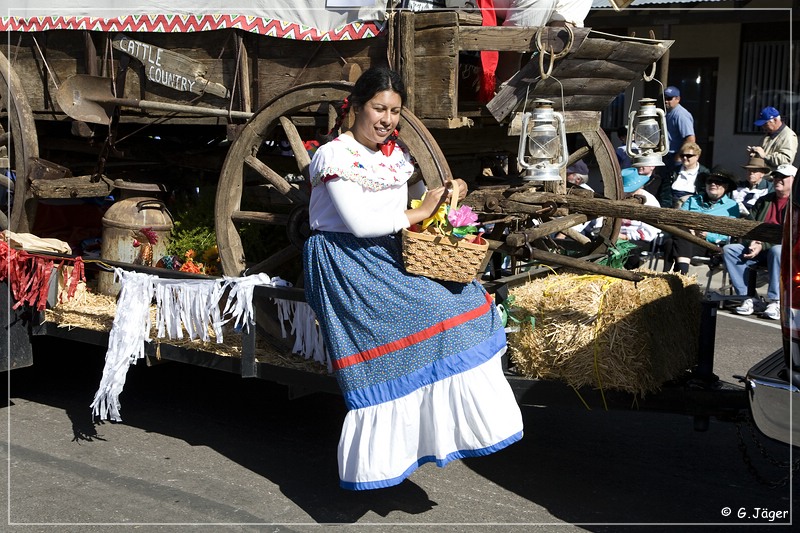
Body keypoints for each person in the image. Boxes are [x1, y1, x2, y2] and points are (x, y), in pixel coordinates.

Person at [302, 67, 523, 490]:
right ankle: (390, 452)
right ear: (356, 108)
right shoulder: (334, 155)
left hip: (388, 253)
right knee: (434, 308)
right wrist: (420, 213)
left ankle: (441, 433)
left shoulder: (393, 154)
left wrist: (445, 191)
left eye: (394, 111)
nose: (386, 119)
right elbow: (360, 223)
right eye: (378, 108)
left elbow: (416, 196)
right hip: (344, 259)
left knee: (468, 299)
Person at [722, 163, 795, 319]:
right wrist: (752, 243)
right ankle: (748, 297)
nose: (778, 180)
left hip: (785, 251)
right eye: (776, 177)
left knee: (777, 250)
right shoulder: (764, 200)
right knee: (730, 250)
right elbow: (749, 225)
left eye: (783, 177)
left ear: (794, 180)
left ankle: (776, 301)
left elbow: (790, 235)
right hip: (758, 247)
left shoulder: (796, 205)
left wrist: (762, 245)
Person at [661, 166, 740, 275]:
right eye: (710, 181)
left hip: (709, 245)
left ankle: (671, 277)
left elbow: (730, 232)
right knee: (675, 238)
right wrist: (690, 230)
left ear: (726, 186)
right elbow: (679, 219)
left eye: (718, 182)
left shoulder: (731, 205)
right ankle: (681, 278)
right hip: (687, 239)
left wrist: (707, 235)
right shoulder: (693, 199)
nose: (713, 184)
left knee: (671, 243)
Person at [617, 168, 660, 269]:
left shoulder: (650, 201)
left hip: (638, 239)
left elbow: (650, 232)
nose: (626, 193)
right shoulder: (618, 198)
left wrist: (625, 236)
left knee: (629, 252)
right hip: (615, 236)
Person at [657, 141, 709, 208]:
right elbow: (665, 195)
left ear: (697, 157)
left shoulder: (704, 174)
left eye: (688, 156)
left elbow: (704, 195)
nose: (685, 158)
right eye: (682, 156)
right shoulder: (673, 172)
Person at [747, 106, 798, 170]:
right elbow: (763, 156)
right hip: (764, 176)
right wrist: (756, 154)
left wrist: (765, 156)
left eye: (765, 124)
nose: (763, 127)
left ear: (775, 120)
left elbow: (786, 160)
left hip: (775, 178)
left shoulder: (788, 136)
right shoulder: (768, 135)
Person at [662, 86, 696, 176]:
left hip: (676, 157)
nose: (666, 101)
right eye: (664, 98)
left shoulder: (681, 115)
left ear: (678, 99)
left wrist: (679, 156)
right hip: (667, 156)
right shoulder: (668, 112)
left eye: (669, 98)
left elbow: (690, 139)